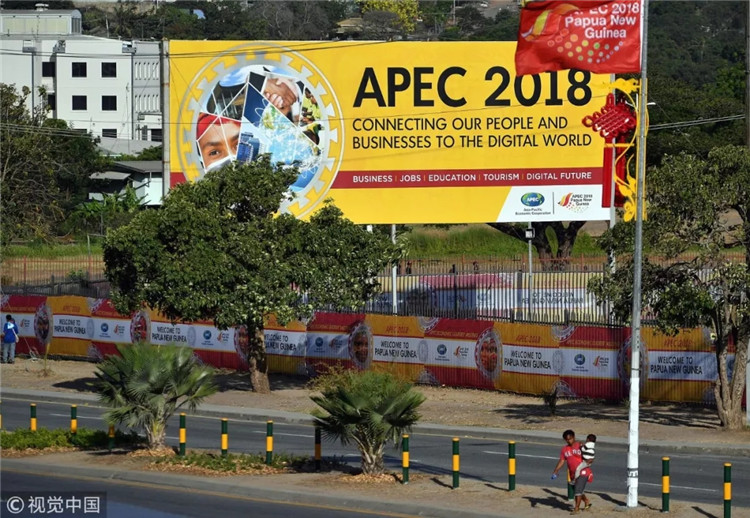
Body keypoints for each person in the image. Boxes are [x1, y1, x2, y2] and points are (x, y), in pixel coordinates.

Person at [570, 440, 596, 514]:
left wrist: (581, 446)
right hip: (580, 468)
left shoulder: (587, 446)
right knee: (579, 490)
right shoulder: (591, 446)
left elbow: (583, 450)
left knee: (578, 491)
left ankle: (576, 509)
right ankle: (586, 501)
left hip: (583, 471)